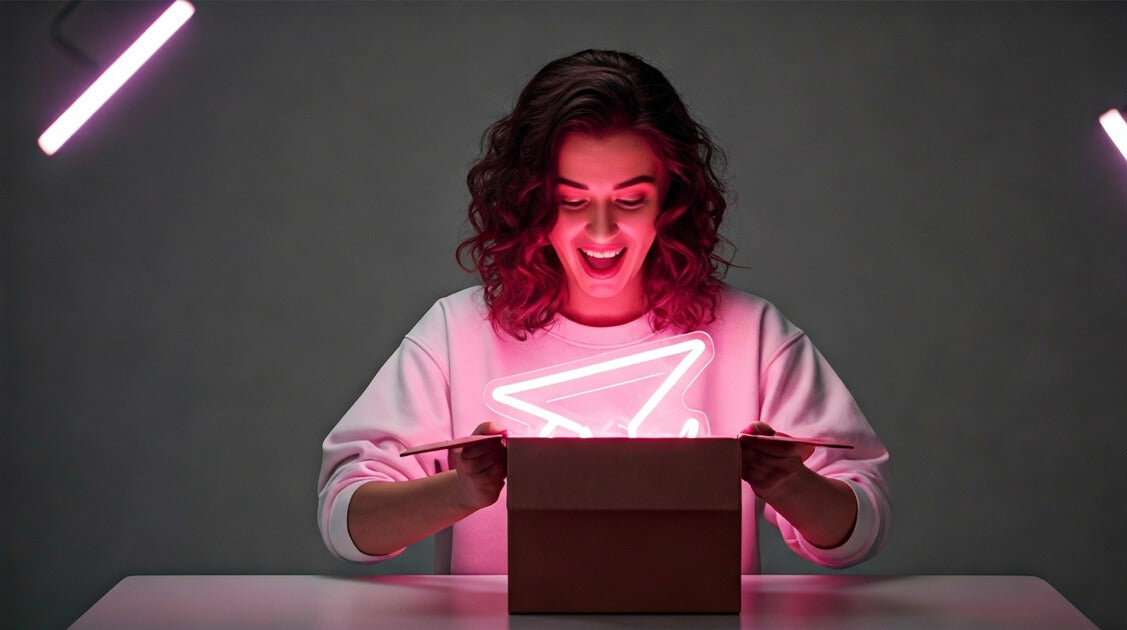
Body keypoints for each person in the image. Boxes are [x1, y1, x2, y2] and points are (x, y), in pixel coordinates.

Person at [318, 49, 890, 574]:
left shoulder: (754, 337)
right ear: (531, 199)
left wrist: (791, 485)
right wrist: (460, 492)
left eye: (630, 199)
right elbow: (346, 521)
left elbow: (859, 527)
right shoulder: (456, 334)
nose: (600, 232)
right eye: (572, 201)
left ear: (673, 197)